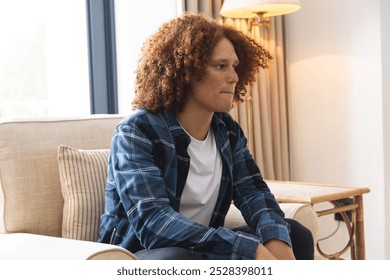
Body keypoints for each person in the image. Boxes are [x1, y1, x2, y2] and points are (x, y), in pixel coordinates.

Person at [98, 13, 314, 260]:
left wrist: (276, 240)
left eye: (234, 66)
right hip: (138, 255)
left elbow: (254, 193)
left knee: (296, 234)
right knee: (176, 259)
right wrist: (249, 249)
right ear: (186, 71)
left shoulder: (227, 130)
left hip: (200, 246)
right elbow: (154, 225)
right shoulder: (137, 132)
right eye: (221, 66)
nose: (233, 77)